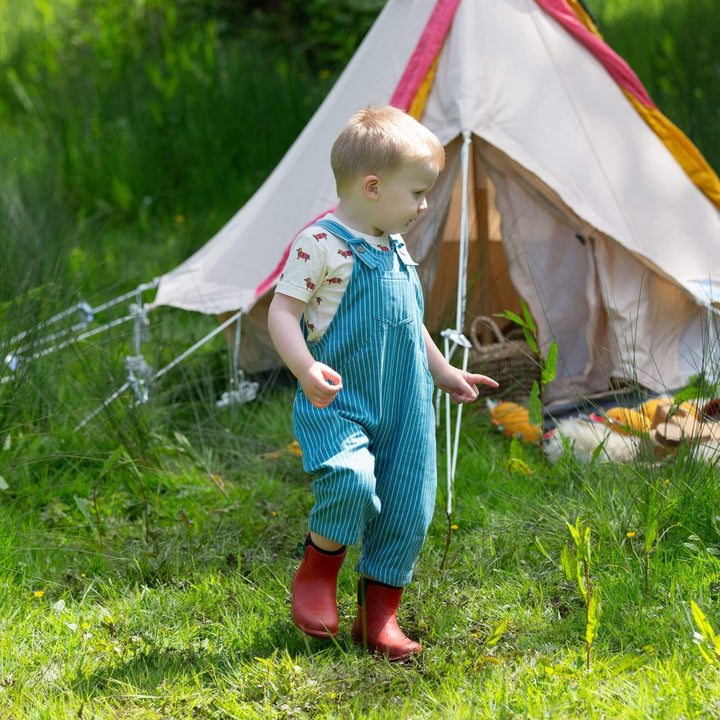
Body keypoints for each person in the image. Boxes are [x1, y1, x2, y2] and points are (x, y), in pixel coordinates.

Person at [267, 105, 498, 660]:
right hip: (341, 400)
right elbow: (281, 313)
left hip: (407, 405)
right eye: (417, 193)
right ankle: (318, 573)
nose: (423, 205)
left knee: (407, 506)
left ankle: (378, 620)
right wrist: (305, 368)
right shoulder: (320, 244)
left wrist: (442, 370)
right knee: (350, 481)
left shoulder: (392, 243)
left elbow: (409, 317)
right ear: (372, 187)